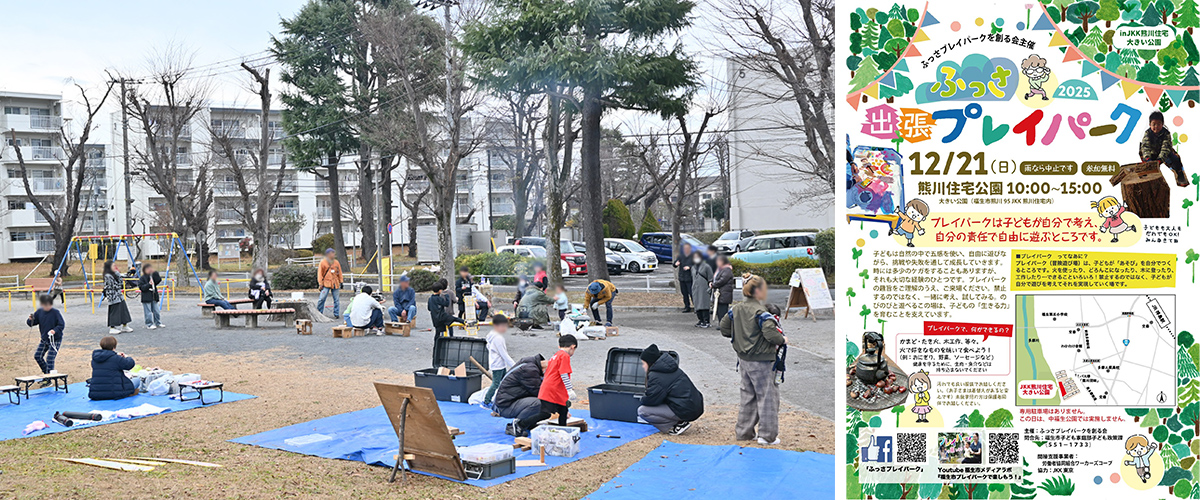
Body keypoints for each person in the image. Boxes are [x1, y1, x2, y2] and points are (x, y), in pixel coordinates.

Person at [720, 273, 788, 445]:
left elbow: (724, 329)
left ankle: (744, 432)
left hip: (743, 359)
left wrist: (741, 334)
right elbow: (771, 335)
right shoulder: (761, 312)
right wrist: (783, 340)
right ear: (758, 292)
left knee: (747, 396)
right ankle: (767, 435)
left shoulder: (735, 309)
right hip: (763, 361)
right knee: (767, 397)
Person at [636, 344, 704, 436]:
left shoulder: (657, 376)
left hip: (686, 410)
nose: (643, 366)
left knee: (643, 411)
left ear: (650, 362)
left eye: (643, 363)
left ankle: (675, 426)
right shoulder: (670, 368)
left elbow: (651, 400)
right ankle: (680, 421)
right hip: (695, 405)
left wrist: (641, 399)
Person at [496, 354, 548, 438]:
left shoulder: (532, 364)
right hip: (505, 405)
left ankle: (527, 424)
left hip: (514, 400)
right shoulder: (530, 370)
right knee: (540, 403)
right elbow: (539, 393)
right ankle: (516, 425)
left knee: (547, 411)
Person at [1141, 110, 1190, 187]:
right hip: (1152, 152)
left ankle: (1180, 173)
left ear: (1162, 124)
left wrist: (1160, 159)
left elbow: (1165, 147)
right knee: (1145, 164)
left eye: (1159, 124)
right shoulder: (1147, 133)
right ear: (1150, 125)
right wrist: (1148, 159)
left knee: (1176, 159)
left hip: (1164, 153)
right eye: (1154, 124)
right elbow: (1145, 147)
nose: (1156, 127)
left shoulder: (1166, 133)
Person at [538, 335, 578, 427]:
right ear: (573, 347)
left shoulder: (556, 355)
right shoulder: (564, 356)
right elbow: (563, 373)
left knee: (563, 410)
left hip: (550, 387)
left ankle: (562, 430)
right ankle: (521, 423)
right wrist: (569, 389)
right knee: (545, 413)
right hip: (553, 389)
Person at [28, 294, 64, 380]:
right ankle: (47, 374)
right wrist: (30, 319)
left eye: (49, 305)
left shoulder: (56, 313)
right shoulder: (39, 312)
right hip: (44, 339)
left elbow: (61, 325)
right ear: (42, 305)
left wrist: (54, 330)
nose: (47, 307)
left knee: (50, 358)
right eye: (45, 305)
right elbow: (31, 324)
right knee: (38, 356)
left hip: (55, 339)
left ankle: (49, 379)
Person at [88, 336, 137, 401]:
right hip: (115, 392)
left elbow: (108, 361)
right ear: (114, 347)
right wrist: (126, 357)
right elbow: (130, 364)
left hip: (96, 393)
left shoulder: (95, 359)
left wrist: (116, 355)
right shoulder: (116, 359)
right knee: (137, 380)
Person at [483, 314, 516, 408]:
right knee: (496, 384)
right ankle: (486, 401)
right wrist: (514, 365)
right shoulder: (498, 338)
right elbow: (504, 354)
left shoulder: (491, 335)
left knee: (503, 383)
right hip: (498, 365)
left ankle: (504, 399)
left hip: (497, 363)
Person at [102, 261, 134, 334]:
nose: (115, 267)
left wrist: (118, 274)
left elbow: (120, 283)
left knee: (123, 310)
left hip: (119, 296)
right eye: (113, 266)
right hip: (113, 296)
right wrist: (119, 286)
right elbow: (113, 286)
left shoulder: (115, 274)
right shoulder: (107, 276)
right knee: (114, 312)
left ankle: (125, 325)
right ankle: (112, 327)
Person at [316, 248, 344, 318]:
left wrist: (341, 281)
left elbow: (339, 272)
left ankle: (336, 313)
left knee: (336, 300)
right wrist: (320, 283)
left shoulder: (336, 262)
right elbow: (320, 273)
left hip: (335, 282)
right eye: (332, 253)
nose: (334, 255)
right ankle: (319, 312)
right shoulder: (323, 262)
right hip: (326, 283)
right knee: (322, 299)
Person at [137, 262, 165, 330]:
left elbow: (158, 280)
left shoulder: (153, 275)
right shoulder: (142, 278)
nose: (149, 270)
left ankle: (158, 322)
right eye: (148, 269)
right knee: (148, 312)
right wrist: (149, 284)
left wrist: (155, 272)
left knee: (156, 310)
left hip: (154, 295)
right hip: (146, 297)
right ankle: (149, 324)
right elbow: (141, 287)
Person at [690, 251, 713, 328]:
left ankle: (706, 321)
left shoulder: (706, 266)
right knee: (697, 304)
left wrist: (710, 285)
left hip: (704, 288)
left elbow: (710, 277)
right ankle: (700, 320)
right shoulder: (693, 267)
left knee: (704, 304)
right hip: (695, 288)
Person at [712, 255, 734, 324]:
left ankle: (723, 324)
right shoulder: (722, 270)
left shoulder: (727, 270)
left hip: (724, 294)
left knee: (723, 311)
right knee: (720, 310)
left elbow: (722, 280)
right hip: (722, 293)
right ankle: (721, 323)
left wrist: (713, 285)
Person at [673, 242, 694, 313]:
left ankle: (696, 307)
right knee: (684, 294)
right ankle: (687, 307)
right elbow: (675, 264)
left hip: (690, 278)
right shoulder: (681, 256)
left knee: (692, 293)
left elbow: (697, 265)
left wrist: (689, 267)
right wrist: (676, 264)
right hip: (682, 278)